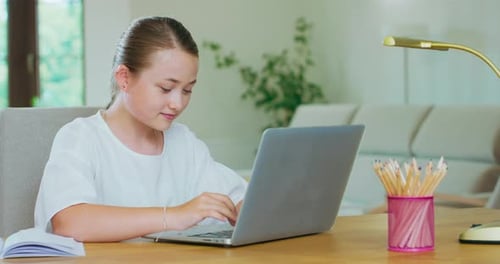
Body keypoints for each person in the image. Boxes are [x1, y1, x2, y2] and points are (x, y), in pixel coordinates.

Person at [34, 16, 248, 242]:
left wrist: (248, 211)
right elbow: (70, 223)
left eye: (187, 90)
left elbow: (240, 199)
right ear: (124, 78)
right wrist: (173, 216)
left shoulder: (184, 142)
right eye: (166, 88)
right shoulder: (81, 138)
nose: (177, 103)